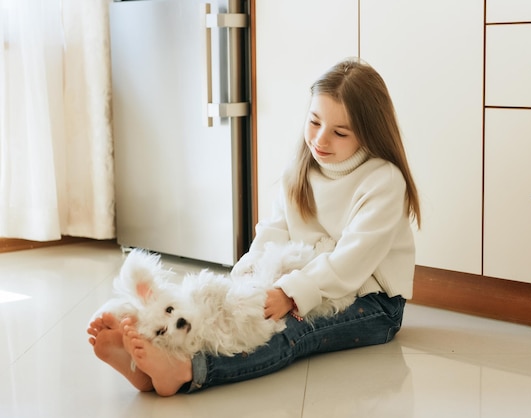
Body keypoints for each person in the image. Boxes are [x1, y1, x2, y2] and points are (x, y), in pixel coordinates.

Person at [87, 58, 421, 397]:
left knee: (291, 330)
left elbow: (352, 261)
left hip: (375, 302)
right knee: (222, 311)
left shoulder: (384, 181)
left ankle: (190, 370)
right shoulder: (302, 168)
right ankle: (156, 354)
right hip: (302, 280)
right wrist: (246, 277)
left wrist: (290, 295)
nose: (320, 139)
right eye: (314, 122)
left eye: (339, 133)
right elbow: (273, 231)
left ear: (369, 133)